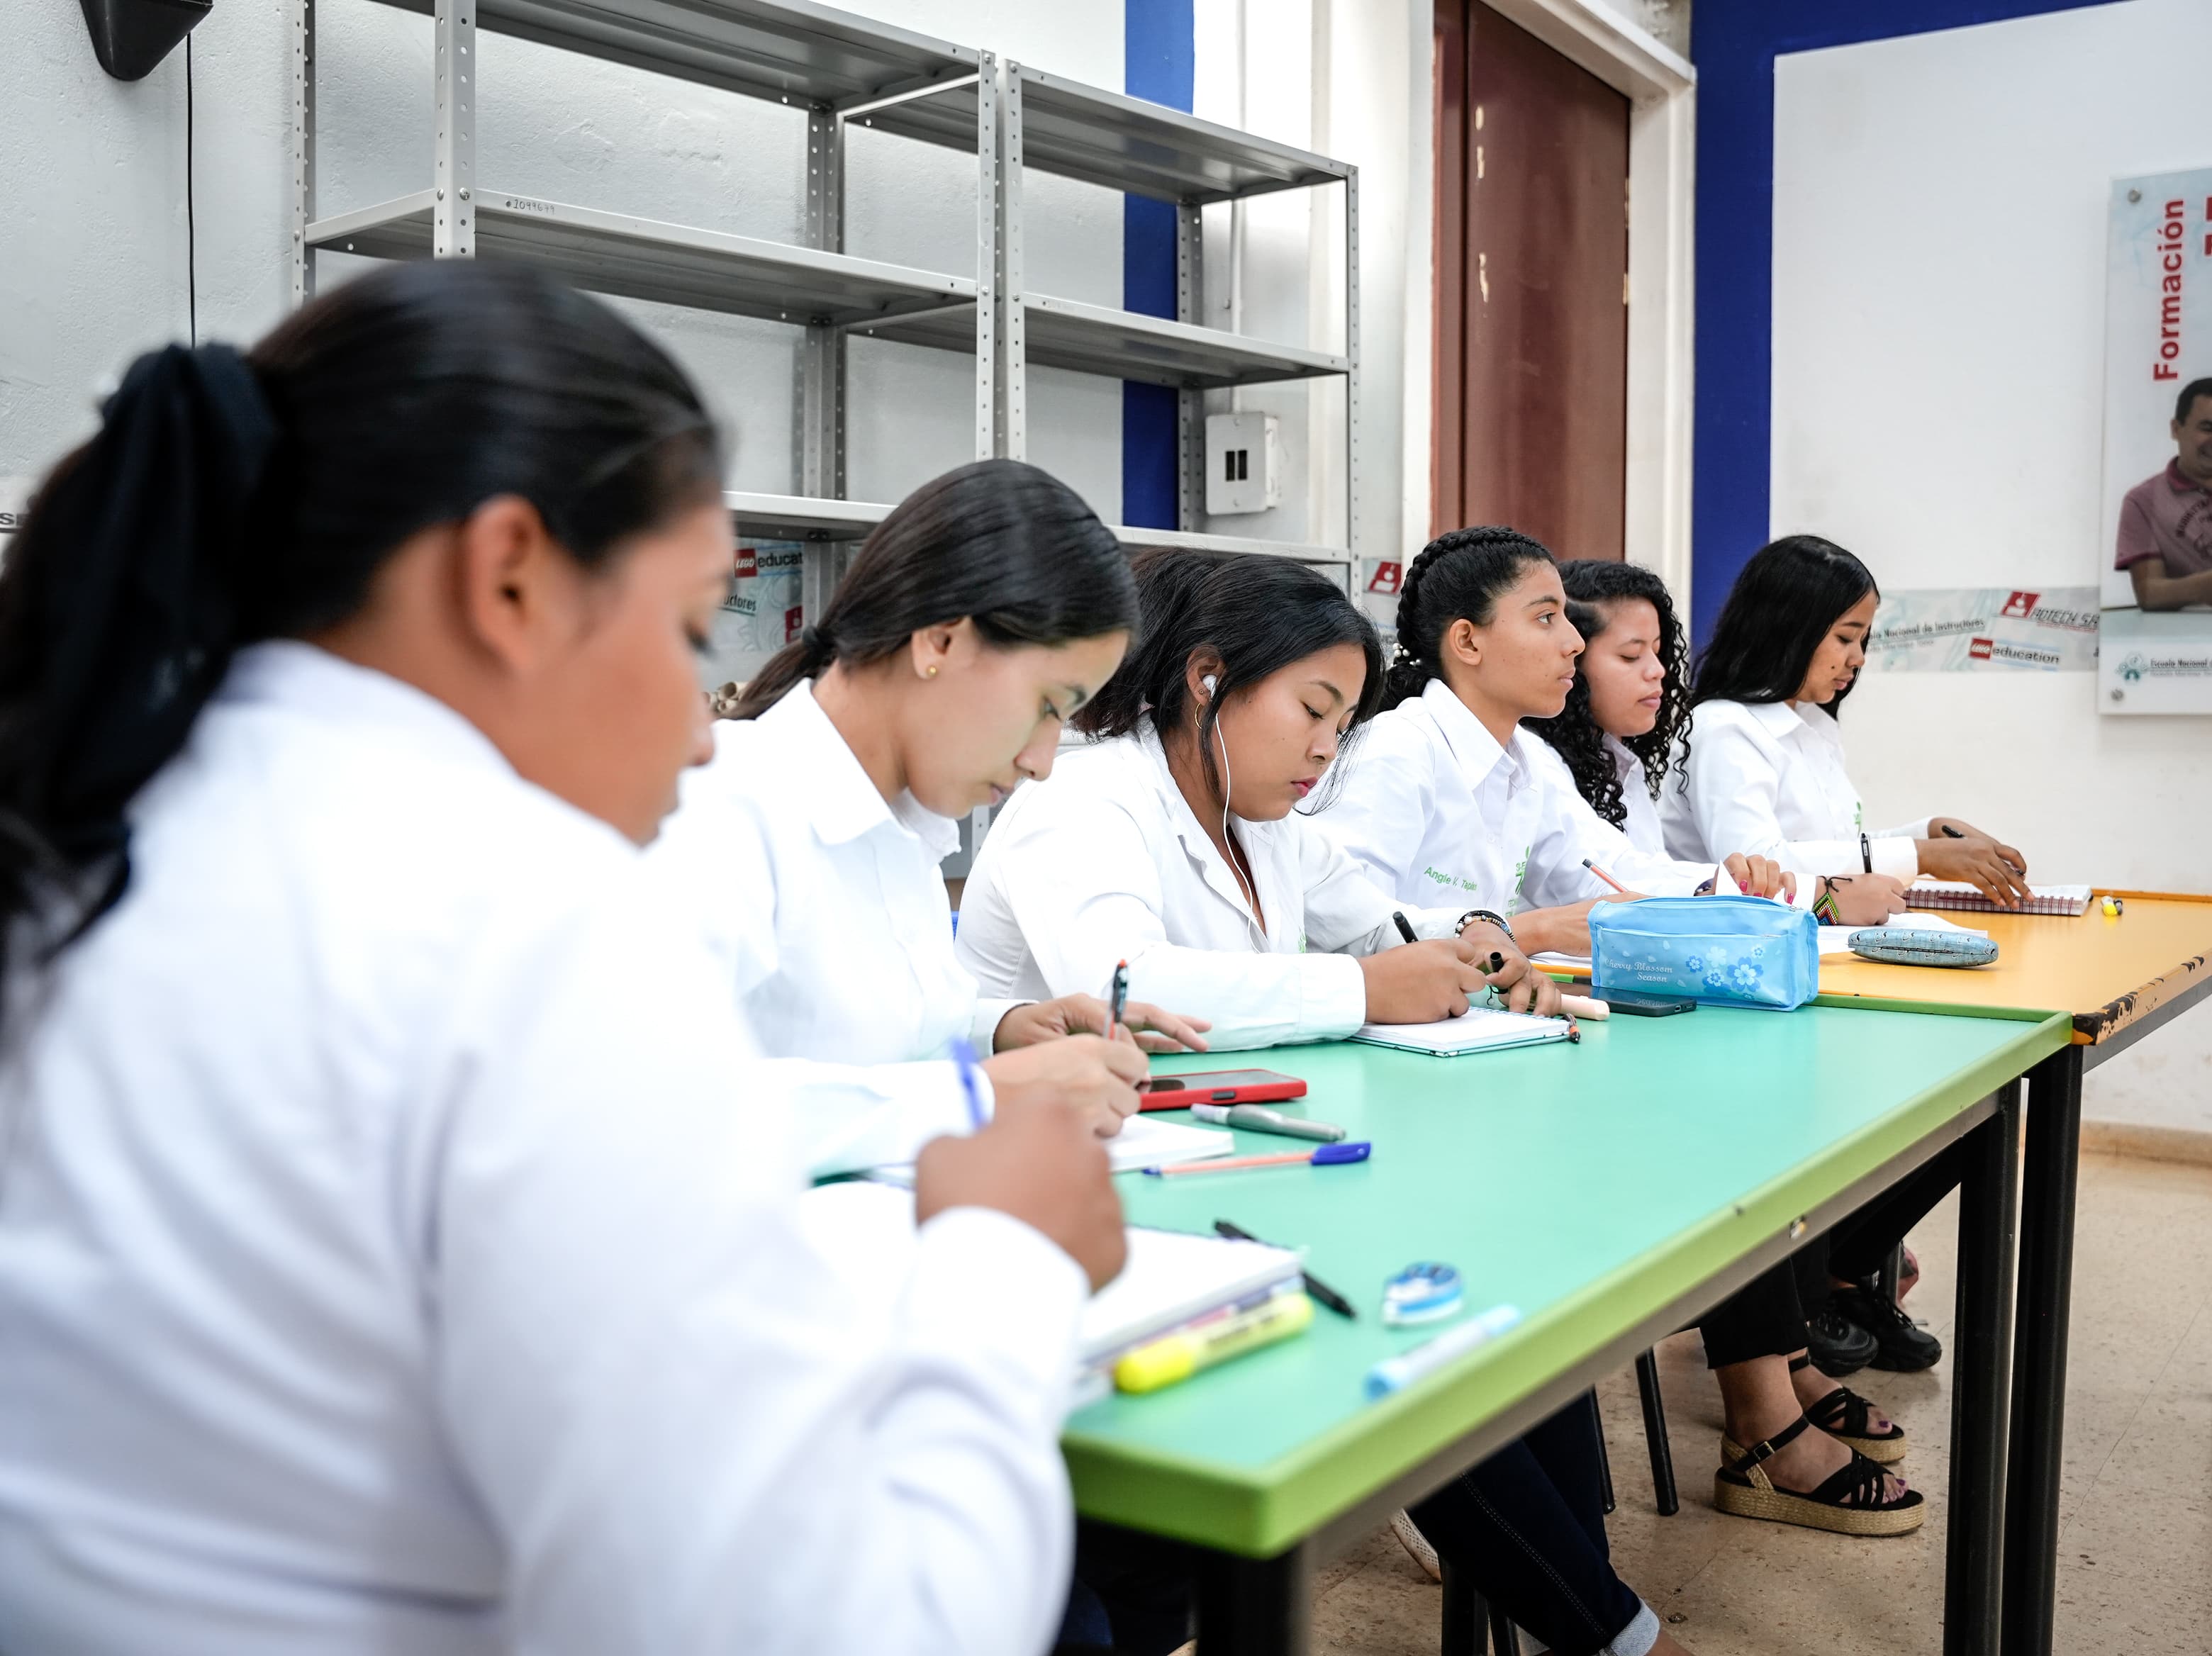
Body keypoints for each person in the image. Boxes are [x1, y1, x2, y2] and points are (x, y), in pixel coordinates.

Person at [0, 261, 1124, 1656]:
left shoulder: (87, 834)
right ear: (510, 575)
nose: (705, 725)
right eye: (688, 629)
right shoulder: (520, 922)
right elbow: (839, 1630)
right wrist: (1006, 1258)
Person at [646, 459, 1209, 1175]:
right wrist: (979, 1095)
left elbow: (851, 1039)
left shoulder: (902, 822)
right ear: (941, 641)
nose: (1042, 761)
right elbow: (656, 1102)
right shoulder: (722, 808)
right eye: (1048, 706)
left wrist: (1001, 1028)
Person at [1525, 559, 1928, 1532]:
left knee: (1773, 1096)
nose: (1660, 674)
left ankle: (1787, 1364)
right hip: (1547, 1044)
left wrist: (1739, 886)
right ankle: (1764, 1415)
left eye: (1661, 653)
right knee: (1732, 1122)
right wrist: (1794, 886)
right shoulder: (1528, 763)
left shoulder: (1612, 767)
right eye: (1628, 654)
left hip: (1604, 1018)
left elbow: (1651, 878)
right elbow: (1573, 905)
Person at [954, 548, 1561, 1052]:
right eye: (1313, 710)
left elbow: (1377, 926)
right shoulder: (1083, 800)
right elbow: (1128, 990)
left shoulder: (1261, 823)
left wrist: (1475, 933)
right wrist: (1361, 990)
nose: (1326, 750)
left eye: (1342, 726)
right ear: (1208, 678)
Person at [1322, 526, 1809, 965]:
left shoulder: (1528, 759)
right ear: (1468, 642)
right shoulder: (1396, 750)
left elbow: (1604, 870)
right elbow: (1344, 930)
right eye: (1546, 618)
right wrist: (1531, 931)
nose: (1574, 641)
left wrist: (1711, 890)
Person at [1661, 534, 2031, 913]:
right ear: (1787, 630)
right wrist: (1920, 855)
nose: (1859, 658)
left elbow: (1829, 849)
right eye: (1845, 638)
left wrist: (1928, 833)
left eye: (1863, 639)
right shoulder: (1724, 729)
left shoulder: (1811, 722)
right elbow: (1760, 869)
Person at [2115, 374, 2212, 610]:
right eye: (2207, 428)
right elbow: (2148, 593)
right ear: (2176, 429)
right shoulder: (2143, 501)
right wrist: (2203, 587)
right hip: (2186, 632)